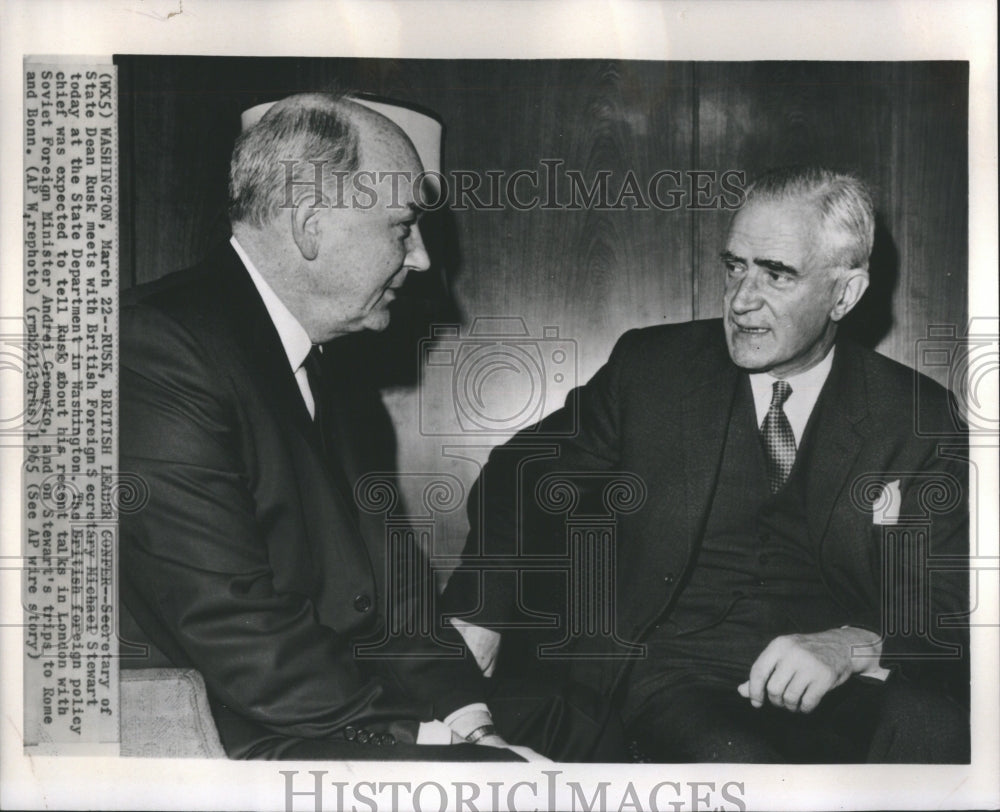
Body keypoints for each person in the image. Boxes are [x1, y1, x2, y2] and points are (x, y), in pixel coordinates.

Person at [119, 92, 620, 761]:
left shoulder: (337, 375)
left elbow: (400, 598)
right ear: (310, 226)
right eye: (402, 227)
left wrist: (470, 719)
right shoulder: (155, 345)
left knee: (578, 728)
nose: (419, 260)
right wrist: (437, 742)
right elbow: (234, 626)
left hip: (336, 700)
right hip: (241, 731)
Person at [442, 167, 970, 763]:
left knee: (942, 738)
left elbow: (948, 606)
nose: (742, 300)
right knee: (743, 767)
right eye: (735, 266)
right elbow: (521, 477)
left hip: (836, 685)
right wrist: (483, 607)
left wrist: (853, 645)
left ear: (844, 294)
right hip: (671, 675)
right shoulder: (652, 369)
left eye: (776, 274)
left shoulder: (914, 415)